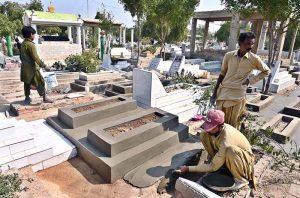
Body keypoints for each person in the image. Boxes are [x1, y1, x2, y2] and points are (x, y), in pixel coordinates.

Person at [175, 110, 255, 190]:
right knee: (204, 134)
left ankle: (241, 180)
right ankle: (220, 162)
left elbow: (213, 167)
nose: (209, 130)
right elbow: (208, 132)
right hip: (230, 155)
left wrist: (188, 168)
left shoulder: (226, 140)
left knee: (231, 150)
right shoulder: (215, 131)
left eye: (211, 128)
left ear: (220, 126)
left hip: (244, 162)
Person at [210, 32, 271, 128]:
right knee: (219, 120)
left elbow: (266, 71)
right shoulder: (228, 56)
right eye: (248, 43)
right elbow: (222, 74)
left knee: (233, 121)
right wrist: (214, 92)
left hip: (238, 93)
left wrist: (250, 81)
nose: (250, 46)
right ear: (240, 43)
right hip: (224, 91)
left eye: (252, 44)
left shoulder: (254, 59)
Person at [20, 26, 53, 104]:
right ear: (31, 34)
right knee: (40, 82)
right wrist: (44, 66)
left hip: (25, 68)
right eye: (34, 34)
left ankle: (27, 97)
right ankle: (45, 97)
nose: (34, 36)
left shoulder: (23, 44)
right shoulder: (31, 45)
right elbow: (36, 58)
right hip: (33, 68)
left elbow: (21, 56)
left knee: (27, 82)